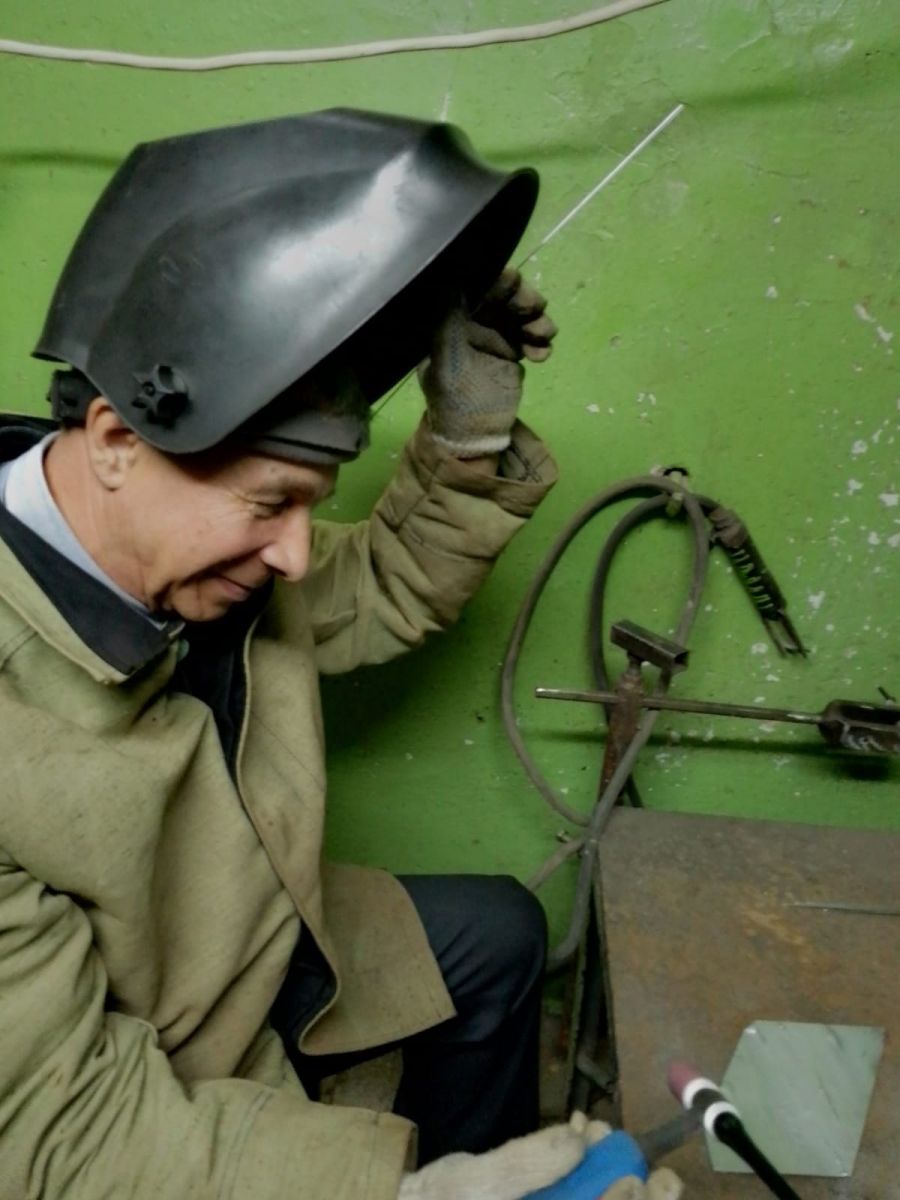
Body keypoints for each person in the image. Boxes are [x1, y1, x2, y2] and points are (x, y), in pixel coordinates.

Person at [0, 110, 680, 1199]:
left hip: (239, 921)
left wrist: (466, 434)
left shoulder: (155, 532)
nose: (295, 553)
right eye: (270, 503)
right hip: (132, 1048)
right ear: (119, 439)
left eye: (309, 505)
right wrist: (403, 1193)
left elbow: (385, 582)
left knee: (500, 933)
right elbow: (65, 1135)